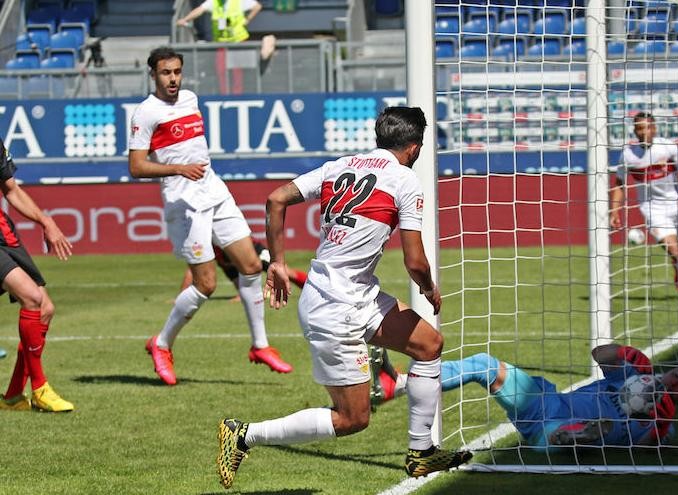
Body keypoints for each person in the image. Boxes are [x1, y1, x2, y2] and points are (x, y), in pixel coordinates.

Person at [216, 107, 471, 489]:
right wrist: (430, 288)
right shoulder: (403, 179)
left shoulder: (339, 165)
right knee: (353, 419)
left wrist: (279, 263)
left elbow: (275, 199)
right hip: (336, 308)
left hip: (355, 294)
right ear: (415, 147)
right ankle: (244, 434)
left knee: (429, 344)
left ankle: (421, 452)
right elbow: (415, 261)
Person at [129, 47, 292, 387]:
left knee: (249, 266)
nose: (172, 78)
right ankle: (162, 344)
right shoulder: (146, 113)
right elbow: (136, 166)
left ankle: (260, 346)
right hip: (184, 205)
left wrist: (194, 170)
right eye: (165, 73)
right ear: (153, 75)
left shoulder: (191, 98)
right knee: (206, 284)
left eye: (176, 71)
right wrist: (177, 168)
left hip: (215, 192)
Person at [370, 344, 678, 448]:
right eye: (677, 374)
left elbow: (659, 439)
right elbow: (600, 354)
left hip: (565, 421)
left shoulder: (661, 424)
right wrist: (630, 356)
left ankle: (566, 437)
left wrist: (662, 418)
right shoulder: (634, 373)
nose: (674, 382)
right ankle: (396, 384)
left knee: (606, 429)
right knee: (485, 365)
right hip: (546, 401)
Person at [610, 111, 678, 305]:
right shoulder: (628, 155)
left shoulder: (667, 148)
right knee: (675, 251)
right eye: (640, 128)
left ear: (655, 129)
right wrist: (614, 211)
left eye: (648, 127)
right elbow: (619, 183)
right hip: (653, 211)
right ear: (635, 131)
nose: (644, 132)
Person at [0, 141, 75, 413]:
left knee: (45, 308)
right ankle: (40, 388)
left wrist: (47, 221)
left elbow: (11, 190)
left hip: (4, 235)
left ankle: (12, 397)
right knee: (31, 297)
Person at [175, 0, 277, 94]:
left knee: (237, 71)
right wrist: (185, 19)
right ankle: (224, 94)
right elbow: (200, 10)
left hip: (237, 42)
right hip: (222, 43)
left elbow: (257, 6)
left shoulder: (239, 1)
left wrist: (247, 19)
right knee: (221, 69)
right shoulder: (214, 2)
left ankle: (237, 94)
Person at [178, 238, 308, 301]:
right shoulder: (202, 240)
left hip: (252, 251)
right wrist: (182, 295)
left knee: (286, 273)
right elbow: (192, 268)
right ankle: (247, 294)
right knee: (243, 293)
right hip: (226, 261)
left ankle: (310, 287)